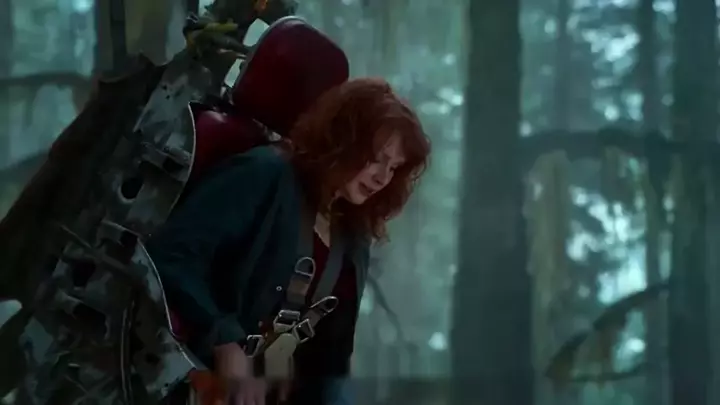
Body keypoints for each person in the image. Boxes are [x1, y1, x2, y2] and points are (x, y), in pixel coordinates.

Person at [146, 77, 431, 405]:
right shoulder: (264, 174)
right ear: (345, 139)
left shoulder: (354, 234)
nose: (382, 178)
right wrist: (225, 341)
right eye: (377, 158)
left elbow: (330, 353)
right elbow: (174, 255)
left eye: (393, 168)